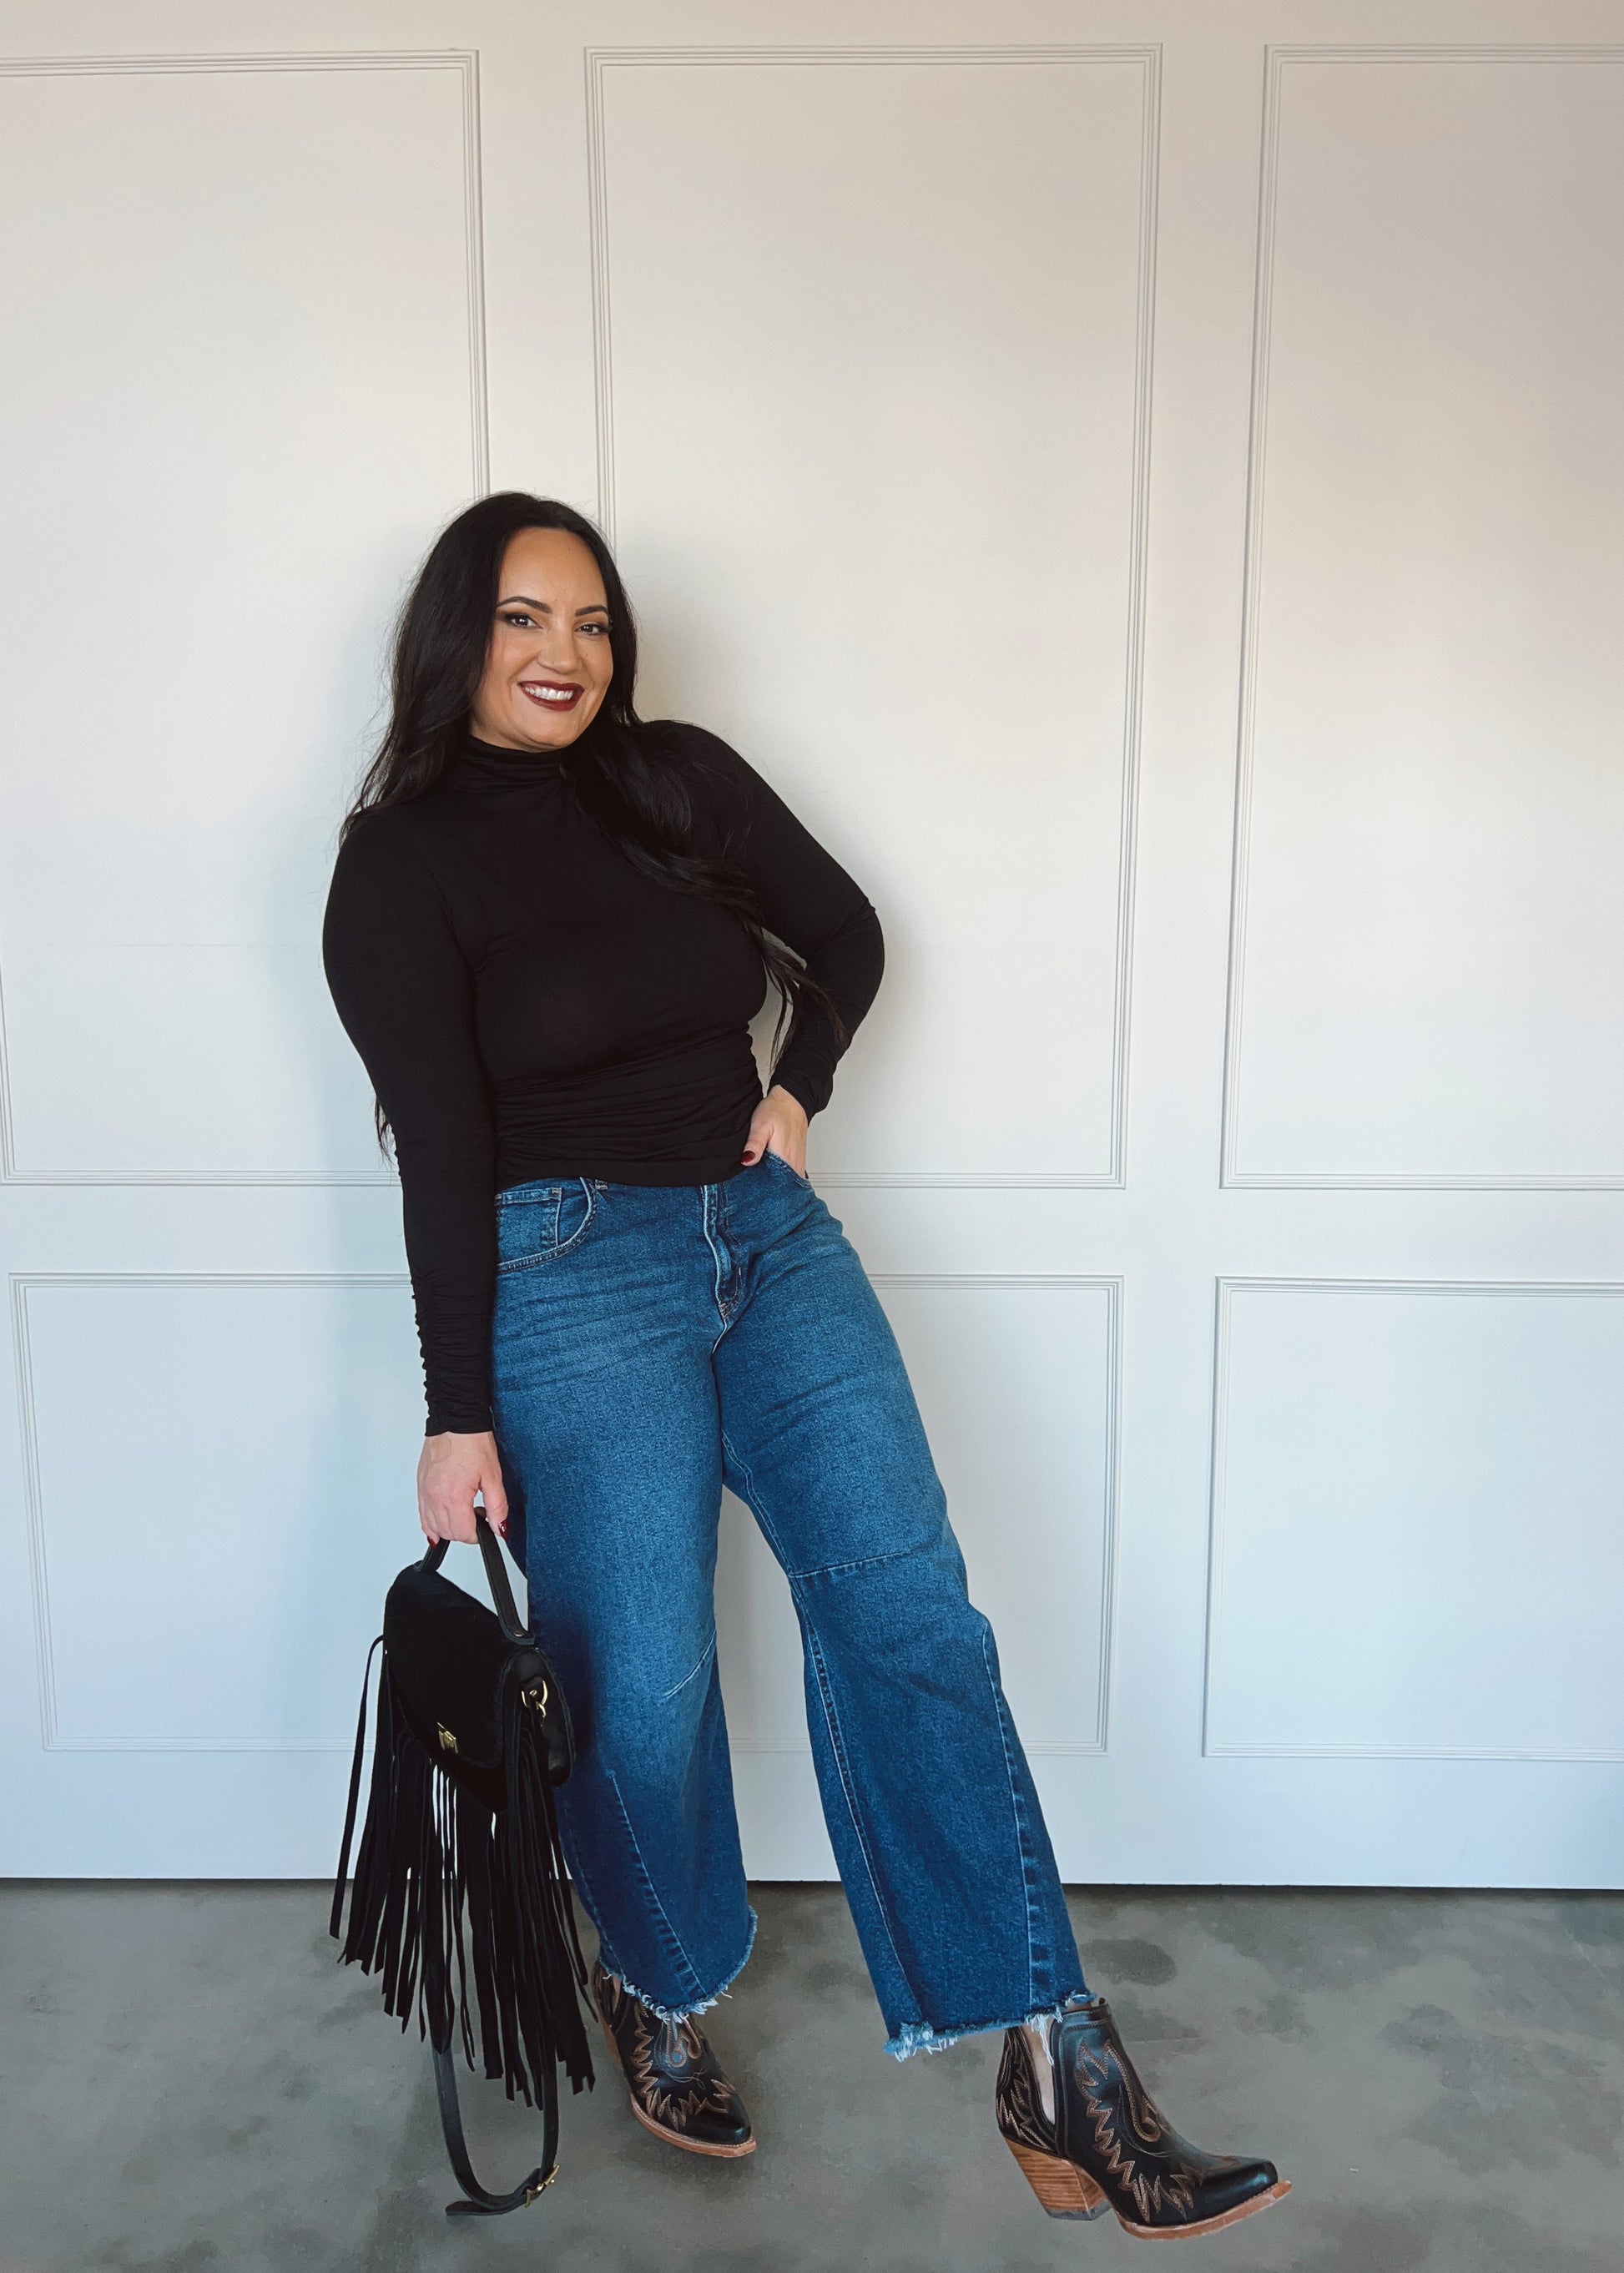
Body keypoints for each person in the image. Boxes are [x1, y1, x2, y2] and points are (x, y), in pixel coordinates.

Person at [321, 491, 1289, 2240]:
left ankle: (1055, 2057)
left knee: (911, 1615)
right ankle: (660, 1973)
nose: (565, 657)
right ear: (456, 636)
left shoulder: (673, 778)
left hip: (763, 1242)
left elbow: (841, 939)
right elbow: (442, 1148)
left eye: (594, 623)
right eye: (526, 620)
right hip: (561, 1268)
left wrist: (796, 1092)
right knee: (653, 1680)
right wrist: (450, 1407)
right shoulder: (397, 865)